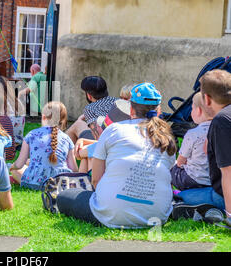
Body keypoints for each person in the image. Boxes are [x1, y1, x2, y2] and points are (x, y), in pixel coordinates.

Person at [57, 83, 177, 228]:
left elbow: (96, 180)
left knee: (64, 197)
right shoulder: (166, 138)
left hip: (113, 212)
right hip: (157, 214)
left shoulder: (114, 129)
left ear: (131, 109)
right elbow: (168, 180)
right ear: (158, 110)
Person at [173, 70, 231, 223]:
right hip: (213, 185)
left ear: (206, 99)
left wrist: (230, 216)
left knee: (178, 197)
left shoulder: (222, 121)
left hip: (220, 194)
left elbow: (228, 172)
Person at [10, 102, 78, 190]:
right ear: (63, 120)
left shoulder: (31, 135)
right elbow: (74, 169)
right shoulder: (66, 138)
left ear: (43, 117)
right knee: (30, 162)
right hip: (60, 183)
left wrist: (12, 167)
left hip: (35, 183)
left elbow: (19, 164)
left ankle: (22, 181)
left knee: (15, 170)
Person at [171, 92, 212, 191]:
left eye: (192, 108)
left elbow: (180, 162)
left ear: (198, 111)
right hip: (211, 181)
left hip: (191, 180)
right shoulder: (221, 130)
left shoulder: (193, 133)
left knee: (170, 168)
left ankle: (174, 195)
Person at [66, 76, 118, 143]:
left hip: (106, 143)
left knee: (77, 125)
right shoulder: (117, 101)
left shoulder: (90, 108)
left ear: (89, 95)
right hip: (119, 139)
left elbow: (97, 136)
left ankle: (67, 151)